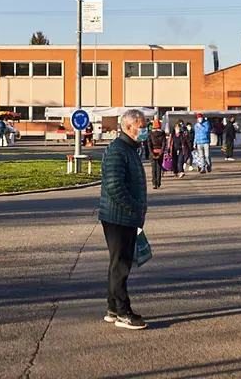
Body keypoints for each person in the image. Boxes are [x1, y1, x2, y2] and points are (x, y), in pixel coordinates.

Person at [98, 109, 149, 330]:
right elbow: (114, 186)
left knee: (118, 263)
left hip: (125, 215)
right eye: (142, 126)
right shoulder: (117, 150)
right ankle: (123, 312)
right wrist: (135, 207)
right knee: (121, 265)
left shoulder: (130, 149)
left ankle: (112, 308)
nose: (145, 130)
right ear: (129, 127)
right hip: (118, 216)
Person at [146, 120, 167, 189]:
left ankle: (154, 183)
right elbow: (164, 144)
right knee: (159, 167)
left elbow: (149, 144)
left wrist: (151, 153)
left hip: (153, 151)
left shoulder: (150, 133)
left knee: (153, 168)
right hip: (160, 151)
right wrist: (161, 153)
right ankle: (158, 183)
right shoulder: (162, 133)